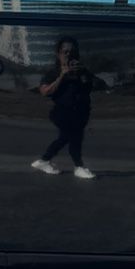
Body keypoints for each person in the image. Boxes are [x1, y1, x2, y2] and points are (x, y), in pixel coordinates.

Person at [32, 37, 101, 179]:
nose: (69, 55)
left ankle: (44, 161)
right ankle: (79, 167)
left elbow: (100, 85)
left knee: (67, 137)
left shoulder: (82, 72)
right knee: (72, 137)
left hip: (80, 113)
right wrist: (62, 76)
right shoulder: (54, 72)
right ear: (59, 54)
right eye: (65, 52)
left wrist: (85, 74)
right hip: (62, 113)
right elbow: (45, 91)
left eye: (72, 52)